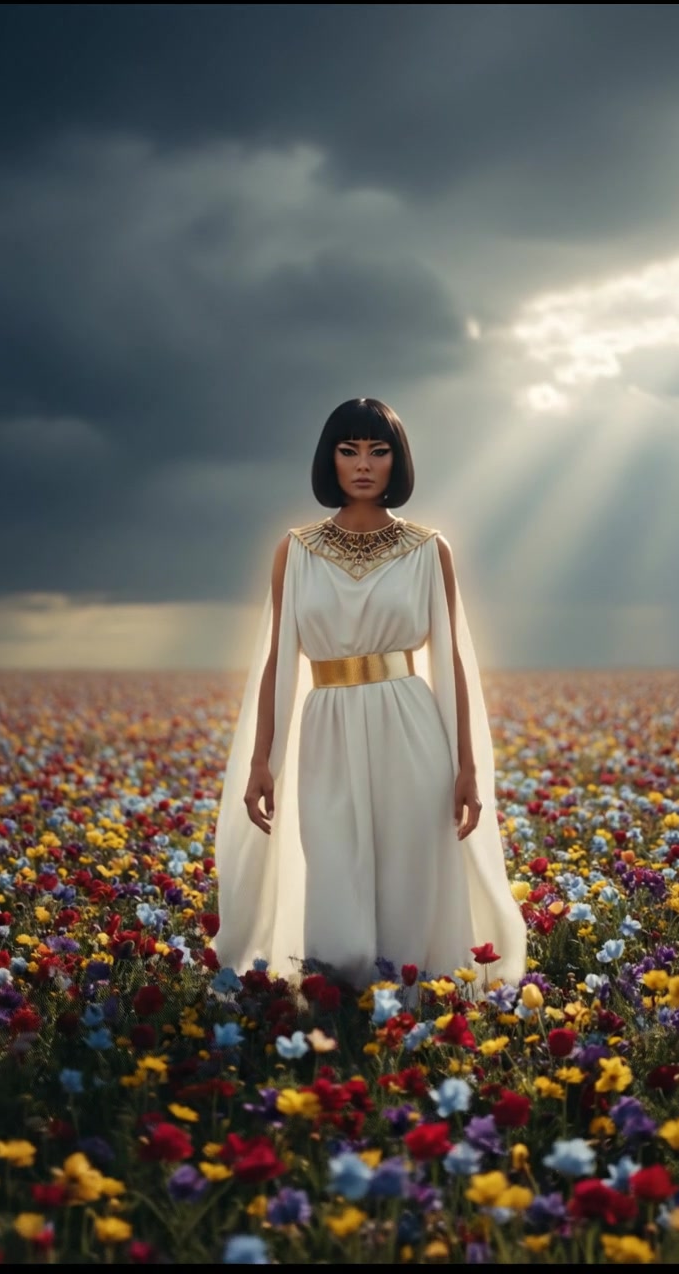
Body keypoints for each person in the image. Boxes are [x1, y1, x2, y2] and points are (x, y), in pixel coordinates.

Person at [213, 398, 527, 992]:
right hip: (325, 726)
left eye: (378, 451)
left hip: (409, 724)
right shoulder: (296, 549)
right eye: (348, 450)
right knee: (332, 865)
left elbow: (451, 662)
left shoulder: (429, 549)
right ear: (329, 459)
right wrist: (261, 760)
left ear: (396, 461)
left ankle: (412, 998)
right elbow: (278, 659)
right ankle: (338, 996)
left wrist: (467, 767)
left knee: (410, 869)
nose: (363, 464)